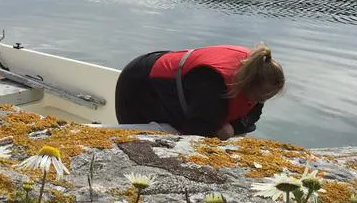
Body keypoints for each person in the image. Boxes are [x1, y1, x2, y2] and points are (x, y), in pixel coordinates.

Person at [114, 43, 284, 139]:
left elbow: (253, 114)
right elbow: (196, 132)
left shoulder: (257, 78)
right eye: (262, 96)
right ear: (248, 82)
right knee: (136, 141)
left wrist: (233, 127)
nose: (261, 101)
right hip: (139, 84)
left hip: (181, 83)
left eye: (267, 97)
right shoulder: (213, 86)